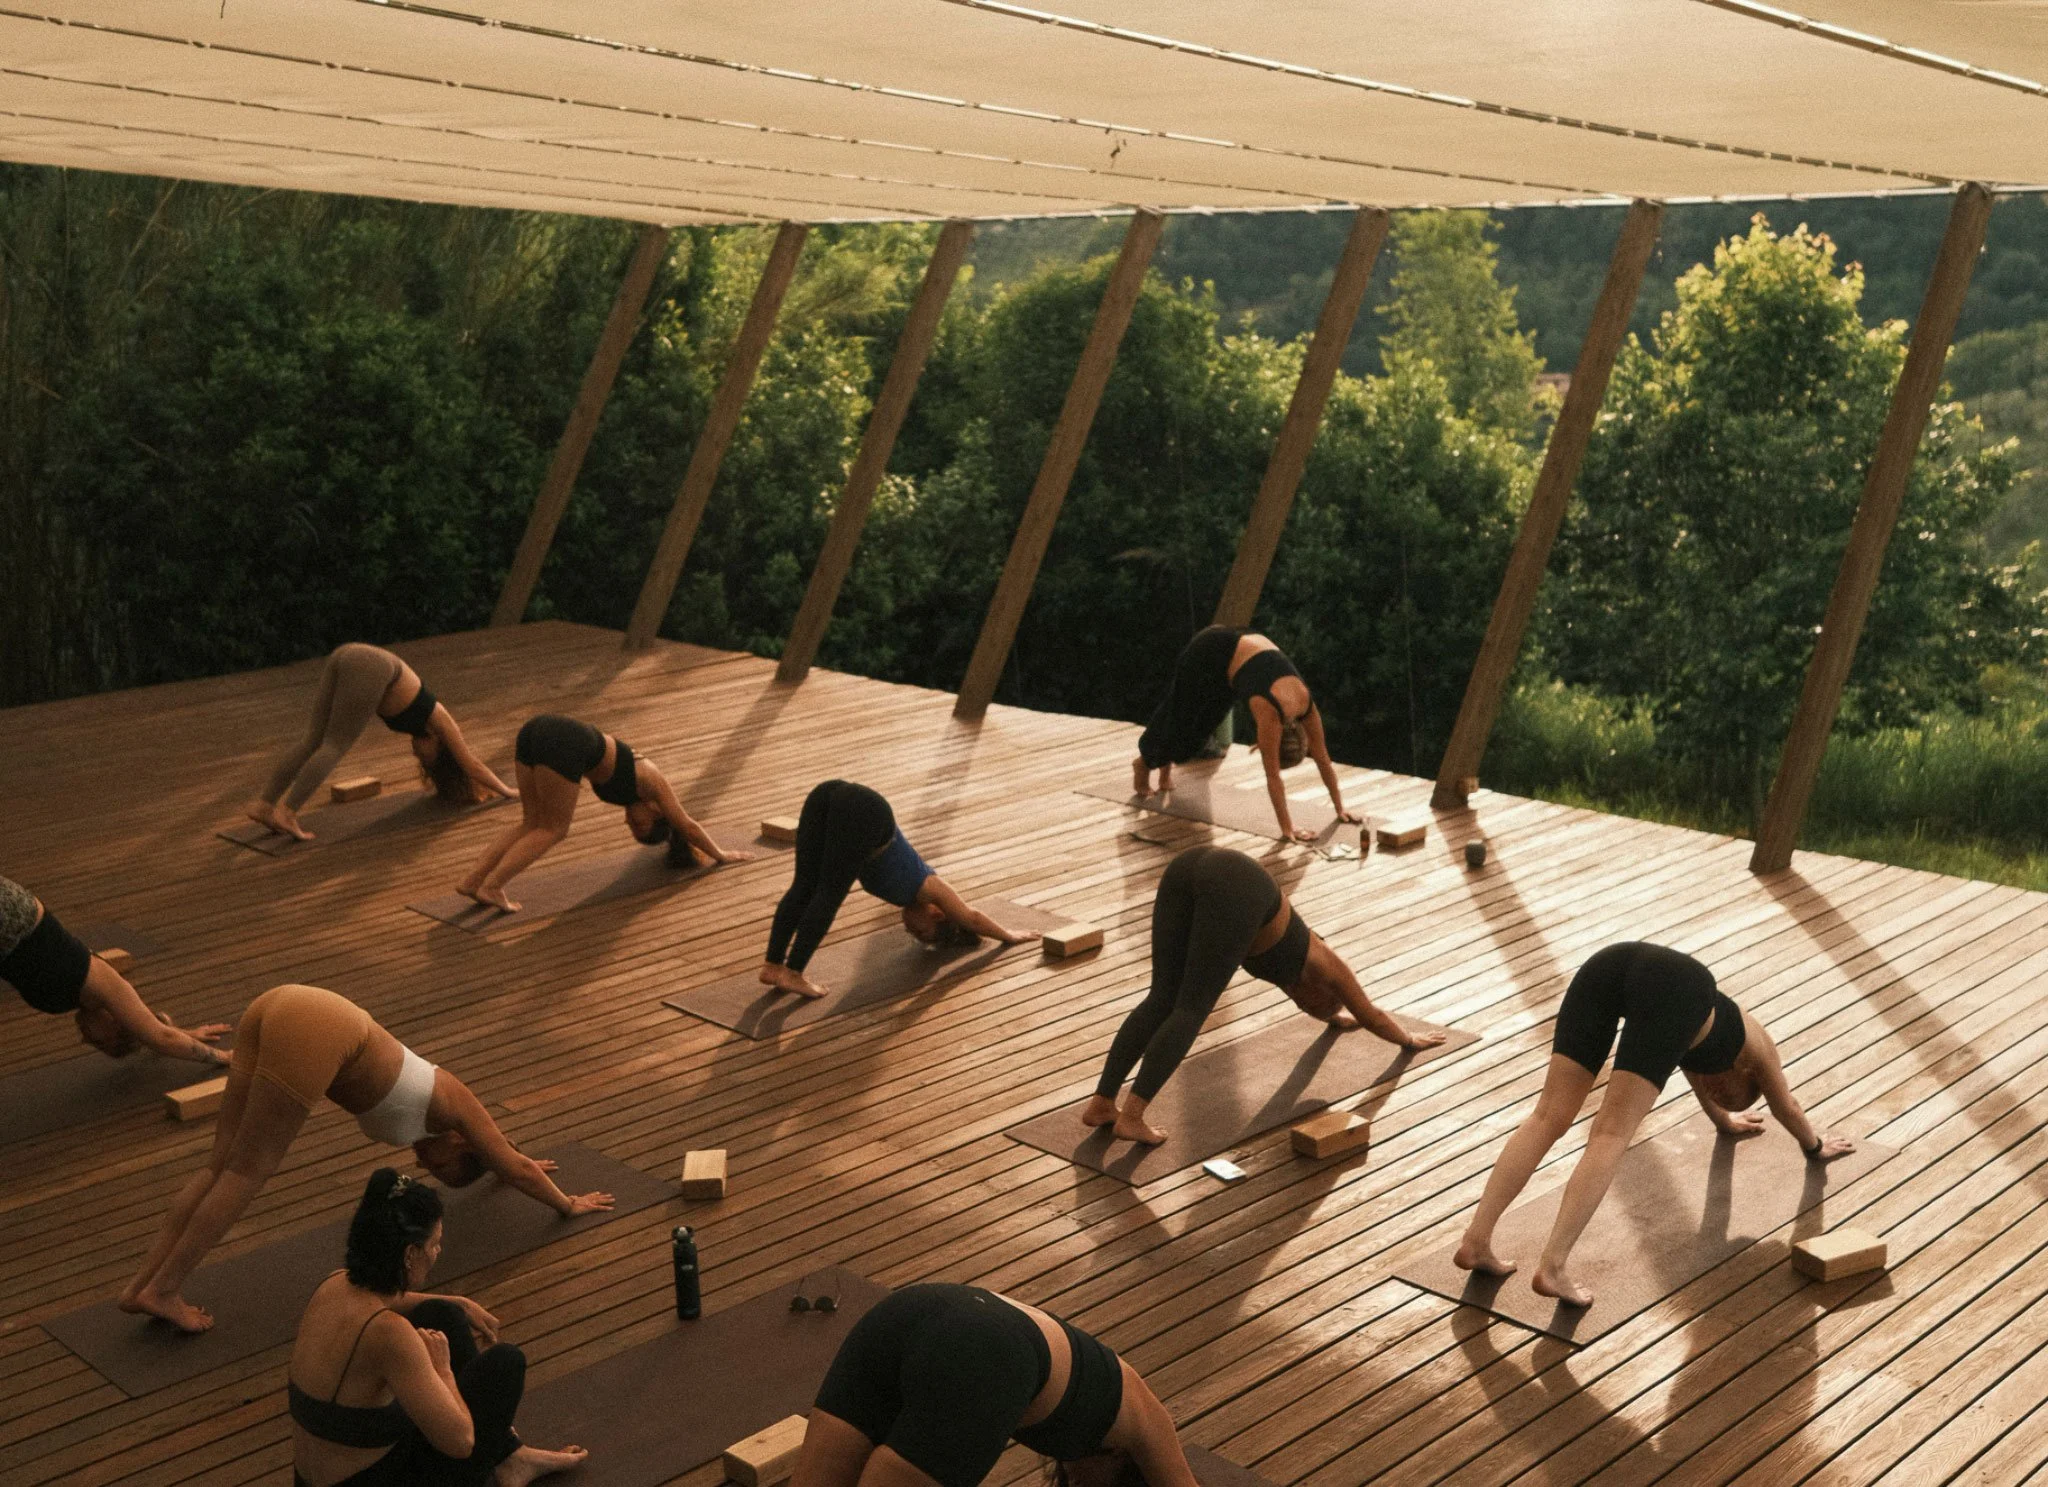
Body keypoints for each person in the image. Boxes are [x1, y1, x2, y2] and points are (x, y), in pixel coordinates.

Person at [122, 984, 615, 1334]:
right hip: (316, 1025)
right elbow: (512, 1165)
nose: (424, 1167)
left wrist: (511, 1161)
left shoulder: (456, 1126)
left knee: (219, 1166)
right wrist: (567, 1204)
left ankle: (143, 1286)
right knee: (245, 1173)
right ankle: (164, 1289)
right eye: (439, 1168)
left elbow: (505, 1158)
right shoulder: (456, 1105)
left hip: (284, 1005)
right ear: (461, 1145)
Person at [1454, 941, 1856, 1308]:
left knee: (1548, 1116)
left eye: (1721, 1099)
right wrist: (1815, 1145)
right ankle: (1552, 1267)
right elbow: (1786, 1105)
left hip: (1613, 964)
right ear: (1743, 1072)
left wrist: (1724, 1119)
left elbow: (1692, 1073)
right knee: (1608, 1133)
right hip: (1675, 986)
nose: (1716, 1093)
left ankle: (1476, 1241)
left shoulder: (1698, 1037)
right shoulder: (1761, 1051)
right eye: (1726, 1094)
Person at [1083, 847, 1445, 1146]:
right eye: (1317, 1006)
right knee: (1189, 1009)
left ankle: (1102, 1104)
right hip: (1233, 885)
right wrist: (1408, 1038)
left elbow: (1335, 1012)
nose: (1307, 1008)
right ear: (1325, 990)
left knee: (1162, 998)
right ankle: (1131, 1117)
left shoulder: (1304, 985)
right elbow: (1371, 1015)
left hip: (1191, 867)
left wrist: (1334, 1018)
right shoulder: (1329, 967)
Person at [288, 1167, 587, 1486]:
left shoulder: (332, 1285)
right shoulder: (388, 1335)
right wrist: (443, 1370)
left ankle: (510, 1457)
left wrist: (456, 1302)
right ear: (409, 1254)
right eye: (434, 1244)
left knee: (440, 1313)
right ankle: (507, 1461)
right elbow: (461, 1442)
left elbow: (389, 1301)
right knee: (505, 1364)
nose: (437, 1252)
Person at [791, 1283, 1197, 1487]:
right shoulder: (1148, 1421)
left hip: (914, 1308)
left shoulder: (1096, 1383)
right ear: (1123, 1465)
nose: (1073, 1479)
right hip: (984, 1352)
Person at [758, 780, 1036, 1000]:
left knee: (805, 887)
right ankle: (793, 972)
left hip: (830, 794)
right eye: (921, 932)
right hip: (866, 812)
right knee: (827, 895)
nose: (911, 932)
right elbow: (971, 918)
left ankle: (773, 967)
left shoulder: (910, 895)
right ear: (937, 914)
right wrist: (1008, 935)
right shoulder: (930, 887)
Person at [456, 713, 748, 913]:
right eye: (638, 825)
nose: (628, 821)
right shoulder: (654, 785)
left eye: (631, 827)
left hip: (537, 731)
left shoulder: (638, 795)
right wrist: (721, 854)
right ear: (657, 815)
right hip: (563, 740)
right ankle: (492, 886)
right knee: (553, 829)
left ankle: (473, 881)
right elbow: (688, 826)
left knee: (531, 823)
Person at [247, 643, 514, 841]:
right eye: (425, 758)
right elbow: (472, 764)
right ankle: (288, 812)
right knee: (334, 744)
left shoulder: (424, 727)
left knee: (313, 739)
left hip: (348, 654)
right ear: (441, 748)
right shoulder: (442, 722)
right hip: (371, 666)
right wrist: (509, 791)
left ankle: (264, 806)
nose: (417, 755)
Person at [1130, 626, 1354, 842]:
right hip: (1209, 651)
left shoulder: (1305, 704)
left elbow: (1323, 759)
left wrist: (1340, 809)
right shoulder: (1270, 709)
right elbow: (1273, 777)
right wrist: (1288, 828)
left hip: (1236, 655)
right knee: (1181, 716)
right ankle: (1144, 763)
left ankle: (1164, 767)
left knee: (1201, 731)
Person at [0, 875, 229, 1066]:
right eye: (99, 1042)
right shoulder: (106, 985)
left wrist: (183, 1032)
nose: (85, 1040)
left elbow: (153, 1030)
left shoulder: (78, 998)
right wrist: (227, 1057)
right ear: (118, 1024)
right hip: (13, 916)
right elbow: (162, 1038)